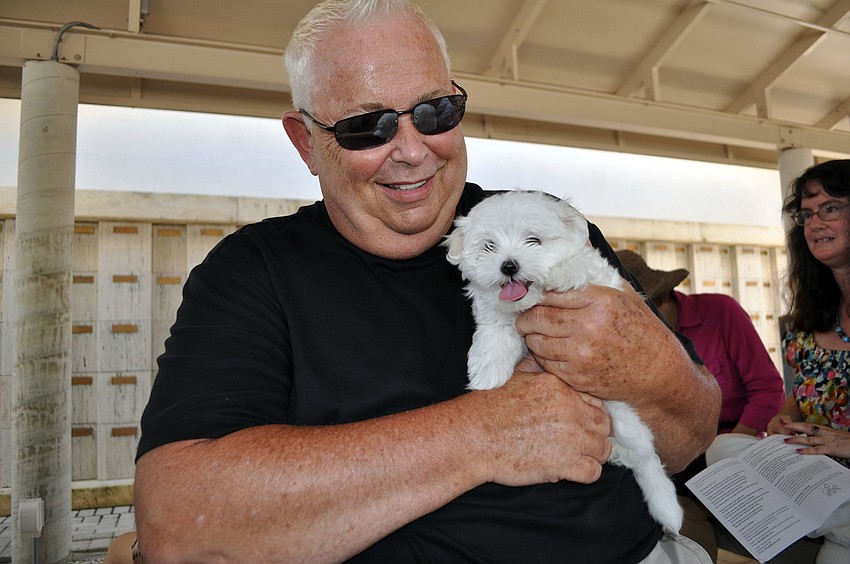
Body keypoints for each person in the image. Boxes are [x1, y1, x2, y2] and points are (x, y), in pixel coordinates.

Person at [131, 1, 721, 562]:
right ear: (306, 142)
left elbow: (691, 436)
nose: (413, 151)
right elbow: (181, 529)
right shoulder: (252, 271)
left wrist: (654, 365)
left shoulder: (540, 223)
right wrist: (485, 432)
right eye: (367, 126)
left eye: (435, 112)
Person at [707, 159, 850, 563]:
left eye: (831, 208)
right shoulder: (810, 315)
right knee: (722, 449)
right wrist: (783, 419)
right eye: (806, 214)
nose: (814, 223)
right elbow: (800, 395)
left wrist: (845, 442)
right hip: (820, 468)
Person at [617, 250, 786, 561]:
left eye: (650, 308)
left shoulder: (721, 312)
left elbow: (768, 391)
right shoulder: (631, 341)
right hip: (673, 455)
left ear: (666, 294)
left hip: (731, 441)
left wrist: (722, 460)